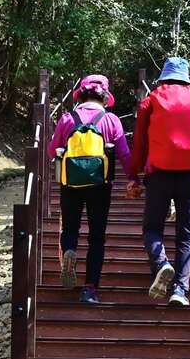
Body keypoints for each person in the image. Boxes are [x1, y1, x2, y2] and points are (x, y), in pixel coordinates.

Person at [128, 57, 190, 306]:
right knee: (187, 232)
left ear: (163, 77)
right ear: (186, 77)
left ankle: (162, 263)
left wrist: (133, 174)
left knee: (152, 228)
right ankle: (180, 290)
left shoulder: (152, 99)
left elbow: (139, 143)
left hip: (158, 172)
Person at [47, 75, 131, 304]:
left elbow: (51, 150)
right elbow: (123, 154)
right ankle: (90, 289)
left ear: (81, 95)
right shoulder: (111, 120)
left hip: (70, 182)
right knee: (96, 237)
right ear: (105, 97)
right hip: (100, 185)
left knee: (70, 228)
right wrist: (135, 178)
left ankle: (69, 251)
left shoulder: (67, 118)